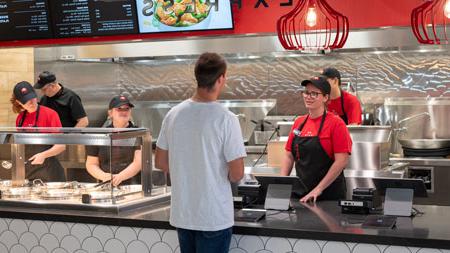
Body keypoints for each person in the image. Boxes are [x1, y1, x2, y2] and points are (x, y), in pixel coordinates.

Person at [155, 52, 246, 253]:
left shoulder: (173, 114)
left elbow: (160, 162)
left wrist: (186, 167)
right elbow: (237, 173)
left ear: (197, 77)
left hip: (183, 215)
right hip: (213, 217)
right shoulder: (226, 118)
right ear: (221, 78)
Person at [280, 76, 352, 202]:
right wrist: (281, 184)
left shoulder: (336, 123)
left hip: (328, 196)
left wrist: (319, 189)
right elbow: (289, 156)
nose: (308, 96)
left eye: (314, 94)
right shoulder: (299, 122)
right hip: (301, 194)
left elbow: (342, 161)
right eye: (306, 92)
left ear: (325, 97)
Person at [11, 81, 66, 181]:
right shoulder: (20, 118)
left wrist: (43, 155)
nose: (32, 102)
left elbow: (61, 146)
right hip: (29, 172)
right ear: (19, 102)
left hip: (50, 173)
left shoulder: (51, 114)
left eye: (32, 97)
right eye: (26, 100)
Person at [85, 95, 141, 186]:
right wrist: (104, 176)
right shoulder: (100, 134)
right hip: (106, 185)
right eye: (119, 109)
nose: (123, 112)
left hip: (133, 185)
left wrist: (120, 177)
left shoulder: (139, 133)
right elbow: (91, 164)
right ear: (110, 113)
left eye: (127, 109)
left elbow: (138, 162)